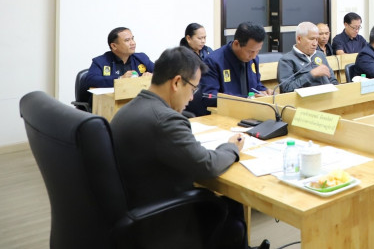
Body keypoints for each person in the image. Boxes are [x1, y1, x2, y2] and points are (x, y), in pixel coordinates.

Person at [111, 46, 246, 249]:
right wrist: (231, 147)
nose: (192, 98)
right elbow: (207, 165)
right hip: (162, 221)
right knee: (233, 211)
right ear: (176, 82)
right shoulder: (165, 120)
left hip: (135, 210)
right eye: (193, 89)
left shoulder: (127, 110)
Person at [199, 22, 272, 114]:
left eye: (258, 51)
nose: (254, 56)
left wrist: (264, 91)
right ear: (237, 43)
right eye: (251, 51)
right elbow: (209, 96)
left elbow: (255, 85)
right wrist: (247, 99)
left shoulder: (253, 59)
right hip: (224, 115)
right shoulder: (213, 61)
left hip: (251, 112)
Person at [83, 27, 154, 89]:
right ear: (114, 46)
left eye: (132, 39)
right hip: (110, 99)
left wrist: (151, 76)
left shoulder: (141, 58)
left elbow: (159, 72)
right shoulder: (101, 61)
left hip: (136, 98)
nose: (133, 43)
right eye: (127, 40)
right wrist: (120, 79)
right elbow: (90, 80)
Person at [277, 22, 338, 92]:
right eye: (311, 39)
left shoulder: (320, 55)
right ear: (299, 39)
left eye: (317, 39)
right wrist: (311, 74)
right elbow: (286, 89)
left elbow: (333, 80)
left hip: (327, 95)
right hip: (305, 98)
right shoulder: (287, 60)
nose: (315, 43)